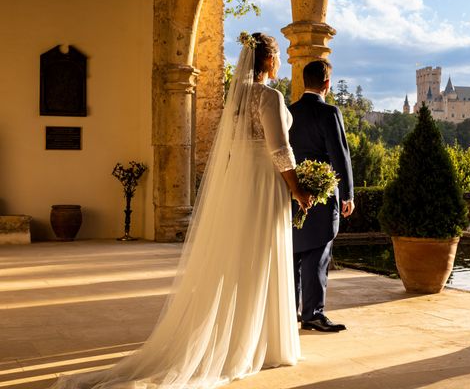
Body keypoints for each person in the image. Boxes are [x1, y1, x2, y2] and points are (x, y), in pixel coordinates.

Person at [50, 32, 312, 389]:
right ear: (269, 60)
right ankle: (263, 342)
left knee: (242, 258)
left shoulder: (234, 101)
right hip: (264, 183)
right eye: (278, 56)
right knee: (261, 255)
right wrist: (297, 188)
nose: (279, 62)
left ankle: (246, 335)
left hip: (243, 184)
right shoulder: (268, 96)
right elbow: (279, 149)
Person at [288, 60, 355, 333]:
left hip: (292, 191)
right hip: (323, 193)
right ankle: (313, 314)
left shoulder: (289, 112)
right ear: (327, 84)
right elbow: (340, 153)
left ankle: (290, 311)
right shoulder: (330, 112)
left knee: (293, 252)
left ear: (305, 81)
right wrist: (348, 193)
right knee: (319, 251)